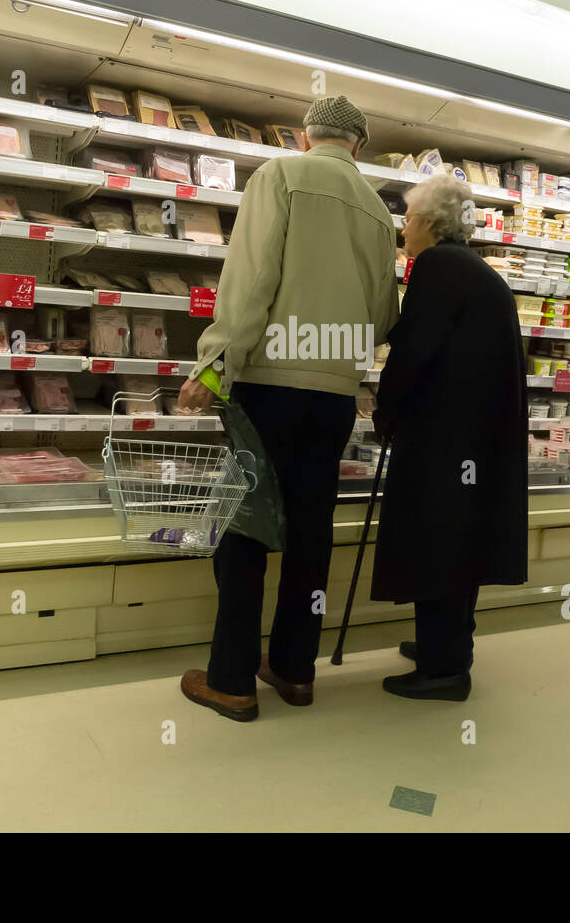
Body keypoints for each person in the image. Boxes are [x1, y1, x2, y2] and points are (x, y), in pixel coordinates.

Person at [176, 95, 400, 722]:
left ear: (306, 138)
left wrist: (215, 364)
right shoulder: (380, 210)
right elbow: (384, 317)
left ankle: (231, 681)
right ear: (357, 145)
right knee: (310, 535)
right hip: (334, 396)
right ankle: (295, 670)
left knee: (245, 528)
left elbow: (251, 281)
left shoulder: (279, 176)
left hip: (269, 384)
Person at [371, 175, 528, 701]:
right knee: (459, 543)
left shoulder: (437, 266)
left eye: (409, 218)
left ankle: (444, 670)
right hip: (475, 439)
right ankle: (447, 645)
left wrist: (384, 409)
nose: (404, 229)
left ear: (431, 223)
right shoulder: (474, 268)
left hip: (445, 437)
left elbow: (415, 350)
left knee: (436, 540)